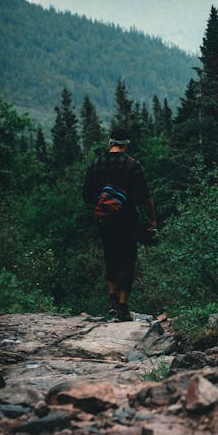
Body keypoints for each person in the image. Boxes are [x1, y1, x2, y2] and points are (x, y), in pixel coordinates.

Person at [82, 128, 156, 321]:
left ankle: (111, 301)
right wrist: (152, 218)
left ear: (110, 142)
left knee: (111, 257)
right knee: (127, 259)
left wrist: (104, 203)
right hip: (127, 219)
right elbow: (145, 196)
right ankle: (123, 306)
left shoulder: (96, 163)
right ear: (126, 144)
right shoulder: (133, 165)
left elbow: (86, 196)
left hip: (104, 220)